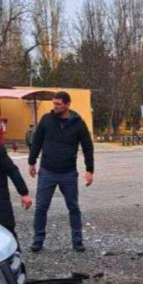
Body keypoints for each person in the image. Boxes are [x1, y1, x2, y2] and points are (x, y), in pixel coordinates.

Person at [27, 91, 94, 253]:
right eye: (54, 103)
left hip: (68, 173)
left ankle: (77, 241)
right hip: (47, 171)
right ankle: (38, 240)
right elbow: (37, 141)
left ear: (67, 104)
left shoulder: (78, 123)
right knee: (41, 207)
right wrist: (32, 161)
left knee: (73, 207)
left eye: (58, 104)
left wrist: (89, 169)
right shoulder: (46, 120)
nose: (55, 107)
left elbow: (87, 147)